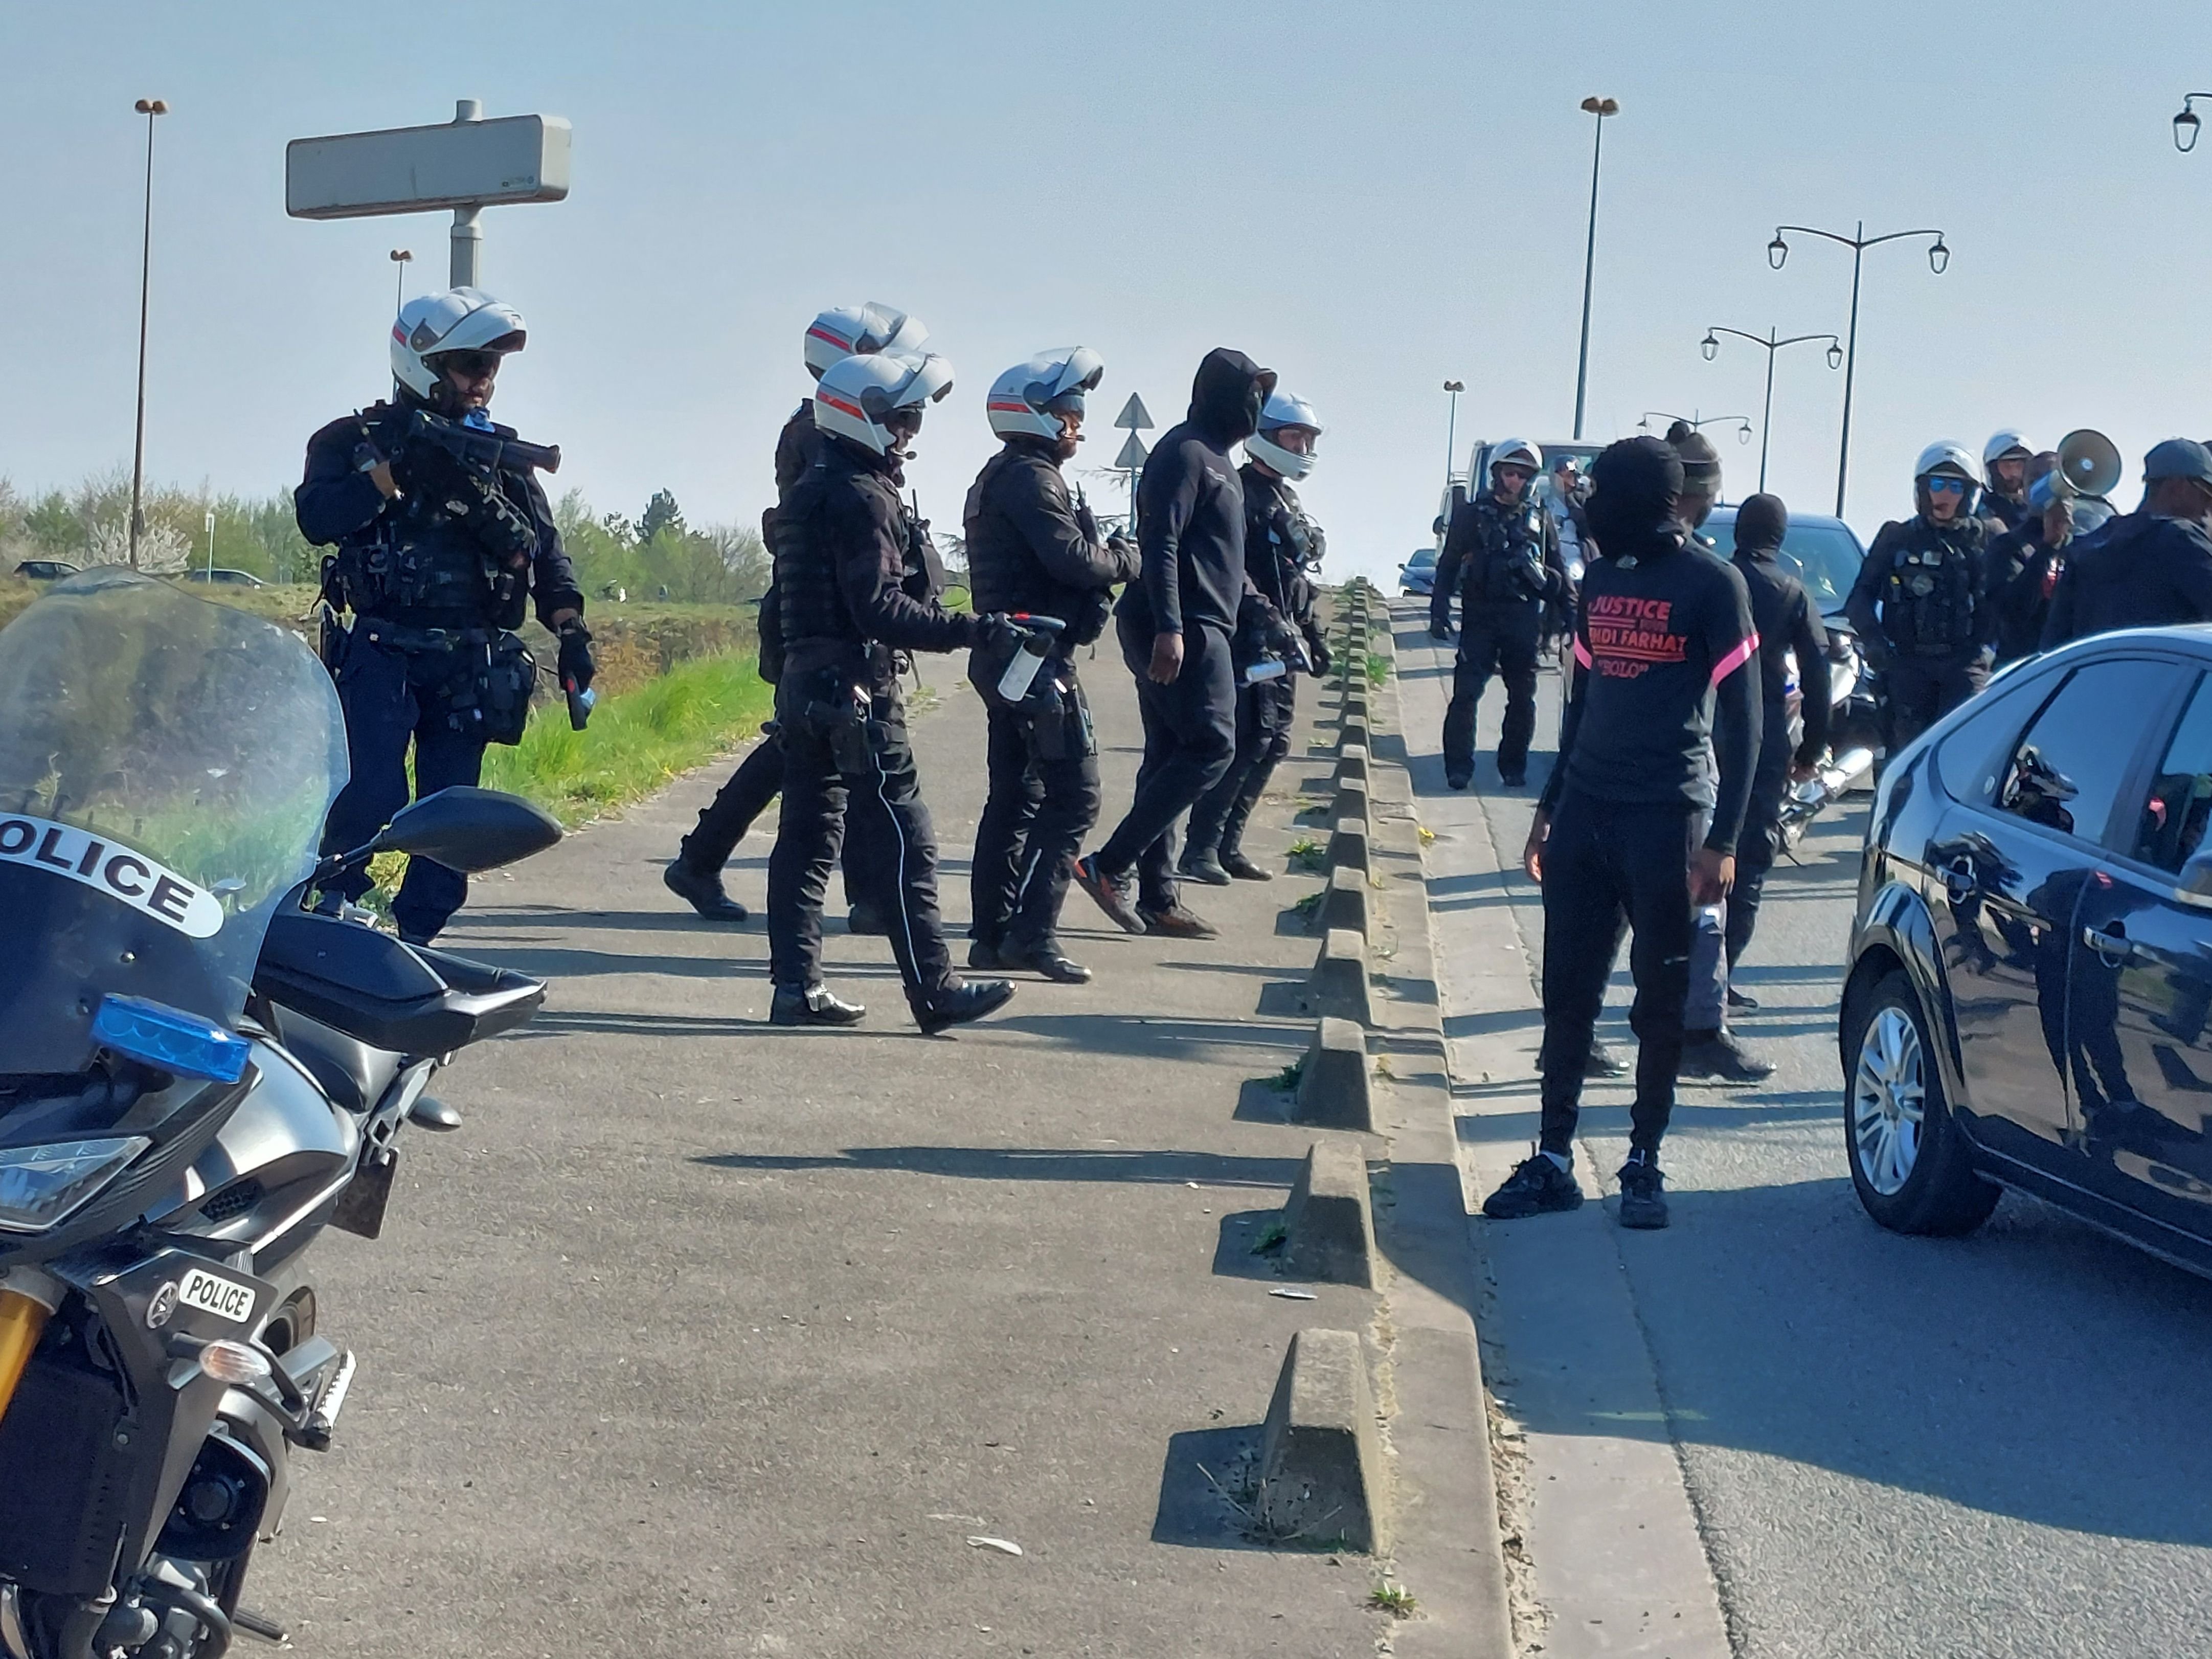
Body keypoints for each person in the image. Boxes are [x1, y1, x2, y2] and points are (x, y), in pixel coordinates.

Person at [1484, 437, 1760, 1230]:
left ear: (1647, 499)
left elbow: (1744, 724)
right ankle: (1553, 1158)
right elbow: (1579, 703)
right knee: (1567, 994)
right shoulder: (1598, 579)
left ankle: (1644, 1160)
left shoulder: (1715, 584)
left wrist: (1726, 840)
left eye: (1604, 492)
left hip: (1667, 818)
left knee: (1659, 1000)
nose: (1590, 505)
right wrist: (1549, 804)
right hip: (1585, 814)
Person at [300, 286, 589, 946]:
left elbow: (546, 556)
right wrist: (394, 472)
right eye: (469, 365)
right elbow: (318, 518)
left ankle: (417, 946)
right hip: (380, 650)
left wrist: (573, 635)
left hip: (470, 661)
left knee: (452, 823)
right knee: (367, 800)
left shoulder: (503, 462)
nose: (482, 381)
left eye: (491, 367)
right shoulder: (351, 442)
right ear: (423, 364)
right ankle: (329, 924)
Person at [765, 349, 1020, 1032]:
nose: (911, 430)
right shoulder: (862, 496)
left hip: (803, 686)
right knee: (906, 838)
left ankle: (796, 988)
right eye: (901, 417)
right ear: (863, 417)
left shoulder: (810, 490)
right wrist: (976, 629)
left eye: (913, 417)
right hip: (855, 693)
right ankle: (934, 991)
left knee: (806, 842)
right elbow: (877, 608)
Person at [665, 303, 931, 928]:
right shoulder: (822, 430)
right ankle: (867, 896)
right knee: (845, 747)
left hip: (821, 613)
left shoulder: (829, 428)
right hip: (819, 617)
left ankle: (702, 861)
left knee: (808, 750)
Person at [1074, 348, 1277, 939]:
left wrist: (1264, 615)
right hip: (1179, 625)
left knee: (1169, 755)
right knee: (1214, 745)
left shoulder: (1223, 465)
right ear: (1220, 393)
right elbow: (1159, 542)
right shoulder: (1185, 453)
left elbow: (1225, 563)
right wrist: (1171, 627)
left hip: (1208, 624)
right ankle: (1109, 865)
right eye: (1250, 391)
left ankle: (1159, 896)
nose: (1257, 405)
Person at [963, 347, 1140, 983]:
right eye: (1069, 413)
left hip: (1010, 658)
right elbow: (1074, 561)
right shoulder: (1033, 480)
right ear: (1035, 415)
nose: (1078, 426)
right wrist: (1123, 557)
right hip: (1037, 663)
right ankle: (1031, 933)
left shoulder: (996, 475)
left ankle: (991, 936)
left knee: (1015, 799)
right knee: (1075, 798)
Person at [1182, 389, 1332, 884]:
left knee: (1275, 743)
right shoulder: (1239, 491)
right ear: (1266, 436)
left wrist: (1313, 632)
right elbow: (1237, 571)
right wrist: (1270, 622)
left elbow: (1295, 575)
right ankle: (1200, 847)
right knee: (1248, 740)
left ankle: (1230, 844)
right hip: (1248, 637)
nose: (1303, 446)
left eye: (1308, 438)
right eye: (1294, 436)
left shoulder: (1286, 495)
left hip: (1285, 641)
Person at [1722, 494, 1831, 986]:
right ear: (1780, 539)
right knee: (1749, 857)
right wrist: (1811, 748)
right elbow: (1817, 674)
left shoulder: (1713, 578)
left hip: (1702, 728)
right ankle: (1722, 974)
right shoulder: (1793, 593)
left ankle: (1683, 974)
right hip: (1764, 734)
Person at [1431, 438, 1569, 789]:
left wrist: (1571, 616)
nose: (1516, 482)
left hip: (1522, 618)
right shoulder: (1472, 516)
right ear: (1497, 475)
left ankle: (1513, 767)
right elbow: (1448, 566)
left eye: (1524, 476)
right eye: (1510, 474)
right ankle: (1459, 767)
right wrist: (1439, 611)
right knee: (1466, 695)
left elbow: (1559, 571)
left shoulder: (1539, 518)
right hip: (1480, 616)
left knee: (1522, 697)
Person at [1843, 442, 1992, 751]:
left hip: (1963, 666)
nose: (1945, 495)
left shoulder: (1986, 539)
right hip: (1909, 663)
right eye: (1937, 484)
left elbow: (2005, 602)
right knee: (1907, 755)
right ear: (1922, 489)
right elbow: (1859, 598)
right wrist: (1875, 642)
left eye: (1955, 486)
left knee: (1966, 748)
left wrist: (1986, 652)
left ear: (1969, 494)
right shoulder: (1897, 537)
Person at [2042, 439, 2212, 646]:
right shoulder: (2181, 538)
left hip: (2093, 676)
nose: (2208, 510)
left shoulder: (2086, 547)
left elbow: (2052, 646)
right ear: (2177, 487)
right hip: (2160, 676)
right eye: (2207, 495)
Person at [1980, 430, 2035, 535]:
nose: (2014, 473)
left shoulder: (2039, 506)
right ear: (1993, 469)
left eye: (2020, 466)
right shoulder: (1980, 508)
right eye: (2007, 466)